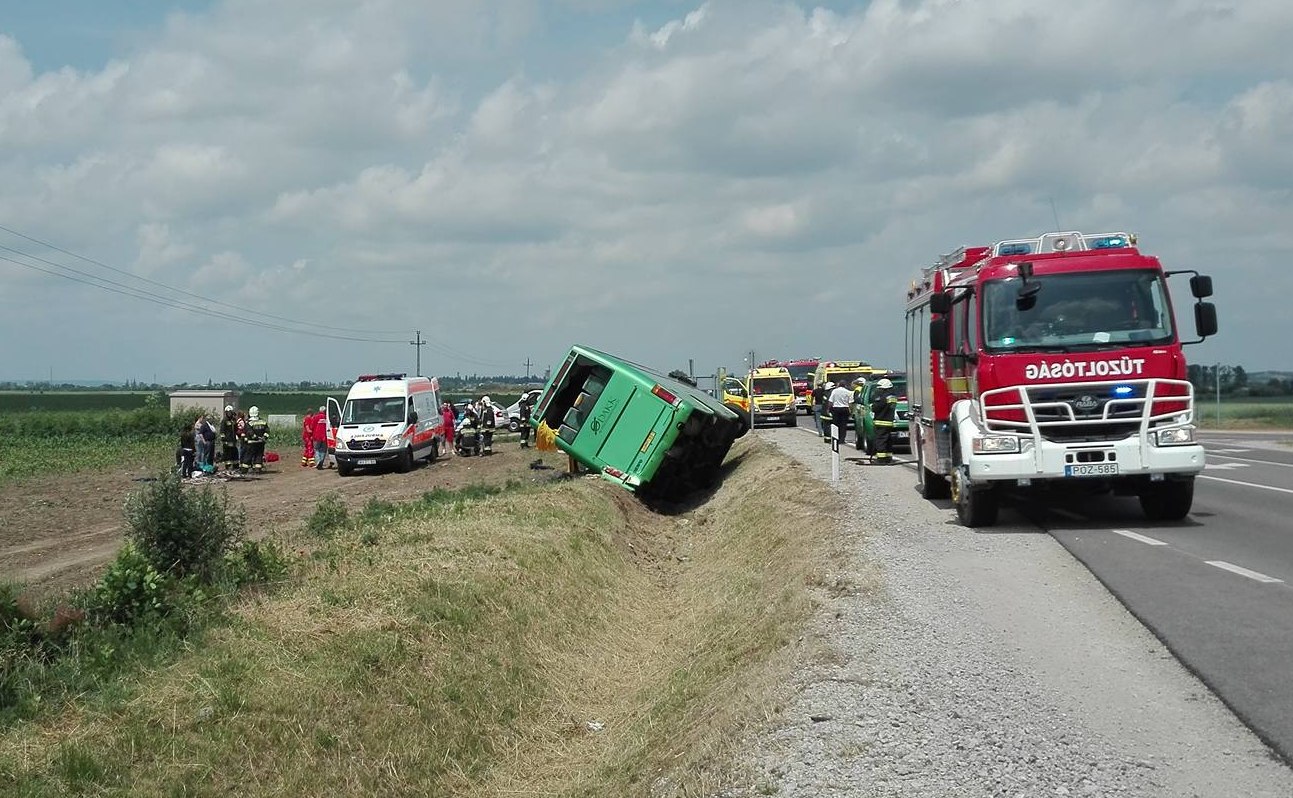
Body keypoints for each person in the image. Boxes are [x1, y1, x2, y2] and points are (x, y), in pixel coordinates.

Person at [870, 378, 898, 464]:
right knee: (888, 440)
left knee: (880, 441)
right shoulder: (893, 397)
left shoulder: (882, 397)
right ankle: (888, 458)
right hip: (889, 422)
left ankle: (881, 459)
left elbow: (875, 408)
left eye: (879, 388)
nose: (878, 390)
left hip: (881, 421)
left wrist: (873, 405)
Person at [242, 406, 269, 473]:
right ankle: (257, 469)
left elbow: (250, 432)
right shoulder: (263, 422)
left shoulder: (248, 423)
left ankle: (244, 470)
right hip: (260, 443)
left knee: (248, 456)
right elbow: (267, 431)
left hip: (251, 443)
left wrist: (255, 437)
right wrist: (264, 438)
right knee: (259, 456)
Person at [827, 381, 853, 446]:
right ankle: (842, 439)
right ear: (845, 385)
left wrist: (828, 409)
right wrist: (851, 411)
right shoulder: (848, 392)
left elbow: (830, 401)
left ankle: (836, 438)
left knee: (836, 424)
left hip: (836, 409)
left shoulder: (834, 391)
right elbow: (850, 403)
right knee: (843, 425)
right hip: (845, 409)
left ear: (839, 385)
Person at [219, 405, 239, 472]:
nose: (230, 413)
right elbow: (222, 431)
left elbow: (236, 429)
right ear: (226, 412)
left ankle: (235, 466)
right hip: (227, 441)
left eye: (231, 412)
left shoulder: (233, 420)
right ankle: (228, 466)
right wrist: (224, 439)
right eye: (229, 412)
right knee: (228, 454)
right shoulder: (224, 421)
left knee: (234, 453)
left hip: (233, 440)